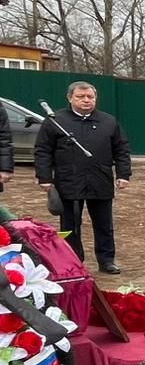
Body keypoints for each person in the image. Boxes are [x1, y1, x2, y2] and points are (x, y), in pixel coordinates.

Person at [34, 81, 131, 274]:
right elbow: (43, 151)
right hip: (68, 182)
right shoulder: (56, 121)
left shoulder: (108, 121)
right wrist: (44, 177)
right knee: (69, 225)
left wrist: (123, 174)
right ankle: (73, 261)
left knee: (104, 224)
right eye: (80, 97)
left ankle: (106, 260)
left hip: (100, 179)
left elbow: (121, 149)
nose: (86, 100)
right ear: (70, 98)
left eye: (90, 97)